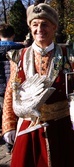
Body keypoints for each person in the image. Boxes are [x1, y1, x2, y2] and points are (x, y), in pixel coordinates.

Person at [2, 3, 74, 166]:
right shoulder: (18, 56)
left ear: (54, 27)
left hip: (61, 128)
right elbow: (10, 92)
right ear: (30, 28)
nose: (39, 29)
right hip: (28, 127)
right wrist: (8, 125)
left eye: (45, 24)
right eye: (35, 24)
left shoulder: (69, 55)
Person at [0, 23, 24, 155]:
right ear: (13, 35)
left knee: (4, 115)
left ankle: (7, 142)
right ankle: (14, 142)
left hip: (0, 89)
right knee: (15, 115)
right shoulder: (20, 49)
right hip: (16, 87)